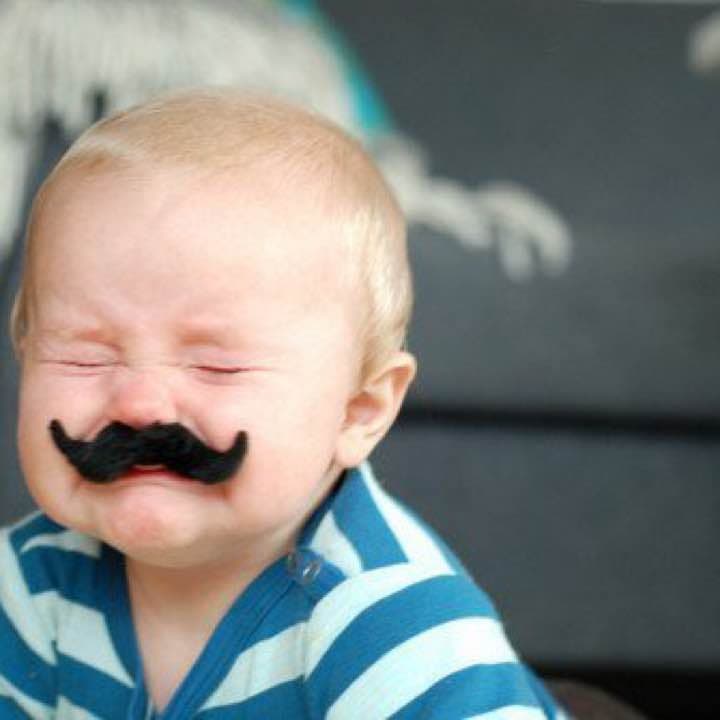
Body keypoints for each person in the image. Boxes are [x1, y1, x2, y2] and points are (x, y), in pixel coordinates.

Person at [0, 89, 565, 719]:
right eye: (85, 358)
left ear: (358, 410)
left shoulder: (391, 622)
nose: (139, 404)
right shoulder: (28, 583)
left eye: (217, 366)